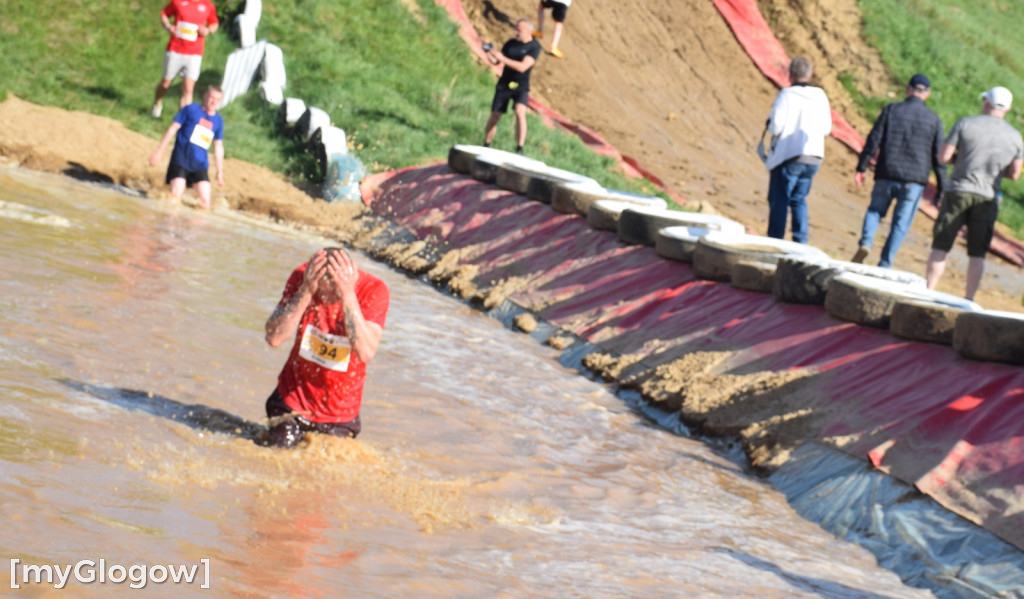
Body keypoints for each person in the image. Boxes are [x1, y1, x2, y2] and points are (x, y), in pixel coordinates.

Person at [263, 247, 389, 449]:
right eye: (321, 293)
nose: (324, 301)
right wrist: (306, 290)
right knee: (275, 459)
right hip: (291, 404)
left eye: (332, 294)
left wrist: (347, 295)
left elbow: (366, 352)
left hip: (339, 415)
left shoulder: (373, 289)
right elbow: (274, 338)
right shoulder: (304, 277)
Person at [925, 86, 1023, 300]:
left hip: (959, 190)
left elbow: (943, 156)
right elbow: (1015, 174)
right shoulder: (1015, 137)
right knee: (977, 254)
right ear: (1007, 109)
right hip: (988, 196)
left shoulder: (966, 123)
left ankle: (929, 290)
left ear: (987, 102)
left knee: (941, 246)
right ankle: (968, 300)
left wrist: (960, 161)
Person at [851, 73, 948, 268]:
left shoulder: (891, 110)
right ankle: (885, 262)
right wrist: (941, 187)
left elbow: (873, 140)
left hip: (887, 171)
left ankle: (866, 242)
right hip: (914, 181)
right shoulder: (934, 120)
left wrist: (862, 166)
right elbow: (939, 157)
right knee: (900, 223)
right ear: (927, 94)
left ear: (907, 89)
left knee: (875, 210)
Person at [762, 57, 832, 243]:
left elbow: (775, 126)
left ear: (790, 75)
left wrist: (769, 127)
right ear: (810, 75)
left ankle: (775, 241)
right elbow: (826, 129)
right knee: (799, 200)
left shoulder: (787, 95)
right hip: (813, 157)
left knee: (780, 200)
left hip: (789, 155)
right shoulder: (820, 96)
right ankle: (801, 242)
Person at [148, 85, 226, 209]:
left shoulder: (218, 121)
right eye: (211, 97)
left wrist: (219, 172)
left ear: (220, 102)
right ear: (205, 96)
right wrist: (158, 152)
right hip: (181, 159)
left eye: (217, 99)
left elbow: (218, 146)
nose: (213, 101)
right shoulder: (191, 109)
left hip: (200, 164)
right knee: (175, 198)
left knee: (205, 202)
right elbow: (172, 128)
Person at [482, 18, 542, 155]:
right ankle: (486, 144)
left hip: (520, 85)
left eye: (519, 30)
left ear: (528, 31)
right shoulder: (510, 43)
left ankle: (520, 148)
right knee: (495, 116)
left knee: (520, 112)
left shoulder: (534, 47)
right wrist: (489, 51)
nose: (515, 32)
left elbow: (522, 67)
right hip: (505, 84)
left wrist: (502, 59)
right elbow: (496, 61)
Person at [151, 0, 220, 119]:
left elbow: (214, 23)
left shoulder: (208, 5)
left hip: (195, 52)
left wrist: (207, 30)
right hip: (175, 49)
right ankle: (157, 103)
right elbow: (164, 14)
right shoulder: (178, 1)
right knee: (165, 84)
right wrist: (169, 27)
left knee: (188, 88)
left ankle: (181, 121)